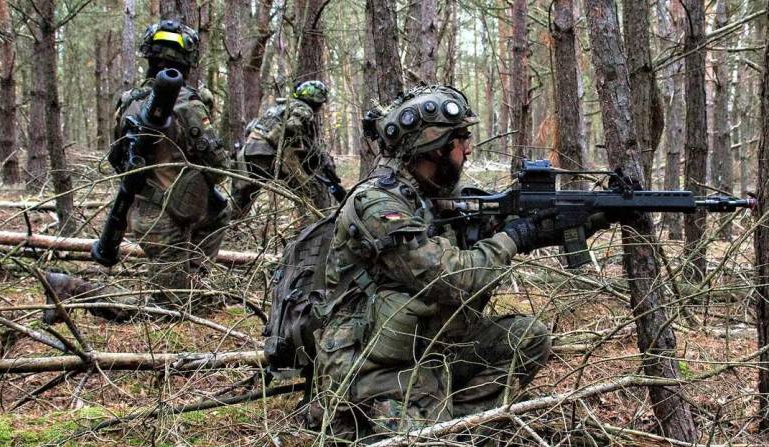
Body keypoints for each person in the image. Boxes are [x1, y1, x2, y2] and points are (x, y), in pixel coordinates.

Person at [307, 85, 603, 443]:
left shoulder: (428, 195)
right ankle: (422, 424)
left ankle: (460, 424)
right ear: (434, 147)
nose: (468, 149)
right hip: (373, 364)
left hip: (428, 343)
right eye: (460, 138)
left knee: (527, 338)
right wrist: (513, 238)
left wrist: (590, 215)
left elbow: (498, 228)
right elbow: (449, 279)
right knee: (429, 440)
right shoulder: (379, 206)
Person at [43, 20, 231, 323]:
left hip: (145, 211)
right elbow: (220, 168)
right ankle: (72, 289)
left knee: (219, 211)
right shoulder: (187, 105)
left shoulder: (128, 102)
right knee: (165, 313)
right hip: (167, 220)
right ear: (188, 60)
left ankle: (191, 287)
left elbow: (117, 155)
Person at [232, 80, 340, 219]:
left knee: (240, 201)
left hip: (247, 154)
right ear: (316, 101)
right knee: (308, 192)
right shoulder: (303, 109)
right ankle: (315, 226)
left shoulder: (278, 107)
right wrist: (311, 153)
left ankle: (227, 230)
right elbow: (292, 128)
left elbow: (250, 129)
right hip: (269, 155)